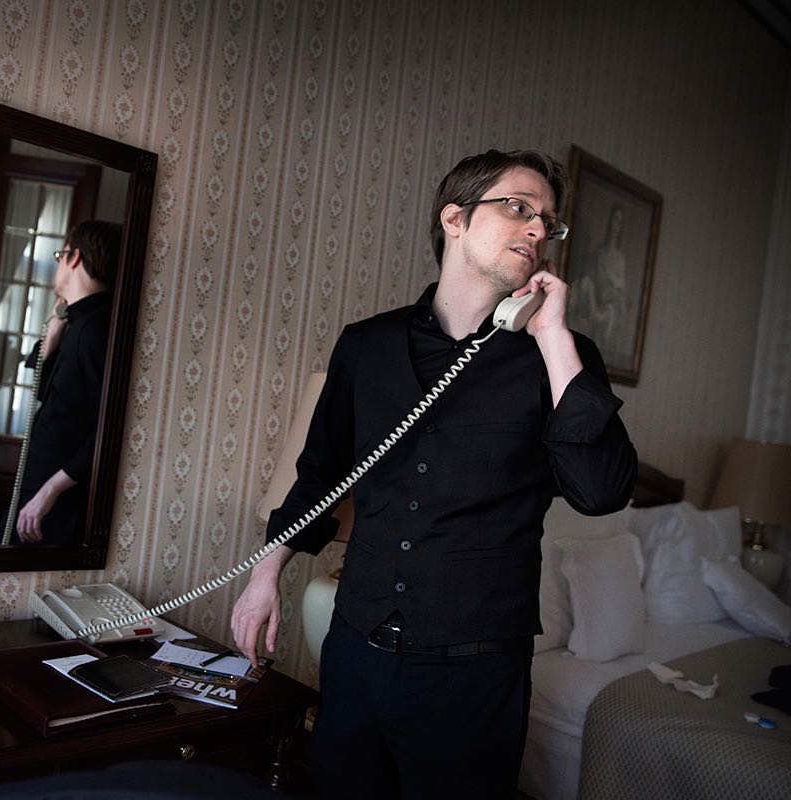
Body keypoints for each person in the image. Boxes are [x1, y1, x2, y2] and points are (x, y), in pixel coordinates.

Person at [230, 149, 637, 800]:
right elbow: (320, 474)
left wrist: (555, 337)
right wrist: (263, 576)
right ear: (454, 218)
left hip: (473, 678)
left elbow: (601, 491)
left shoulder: (561, 356)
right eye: (519, 208)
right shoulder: (366, 346)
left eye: (548, 221)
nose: (538, 228)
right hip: (355, 651)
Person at [12, 220, 121, 546]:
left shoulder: (95, 330)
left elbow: (108, 429)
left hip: (56, 499)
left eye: (61, 256)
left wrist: (51, 490)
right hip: (38, 484)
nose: (58, 264)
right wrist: (53, 332)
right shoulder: (74, 323)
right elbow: (43, 391)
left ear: (74, 258)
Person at [569, 202, 629, 362]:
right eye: (614, 220)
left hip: (608, 311)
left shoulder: (619, 260)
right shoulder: (597, 254)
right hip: (593, 306)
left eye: (620, 222)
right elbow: (586, 283)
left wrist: (604, 312)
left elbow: (619, 297)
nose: (616, 225)